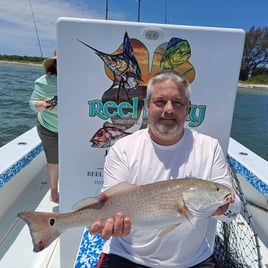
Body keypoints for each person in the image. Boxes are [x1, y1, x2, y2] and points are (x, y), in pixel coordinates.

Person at [91, 69, 241, 267]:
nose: (168, 109)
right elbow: (110, 201)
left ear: (187, 109)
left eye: (177, 103)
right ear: (146, 108)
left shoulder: (209, 147)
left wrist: (225, 206)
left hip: (192, 261)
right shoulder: (123, 149)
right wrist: (110, 225)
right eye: (160, 102)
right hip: (127, 256)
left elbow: (233, 209)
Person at [29, 51, 59, 203]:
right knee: (53, 161)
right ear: (54, 63)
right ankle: (54, 191)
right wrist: (42, 105)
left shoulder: (81, 79)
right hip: (48, 127)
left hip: (71, 128)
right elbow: (32, 103)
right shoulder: (43, 82)